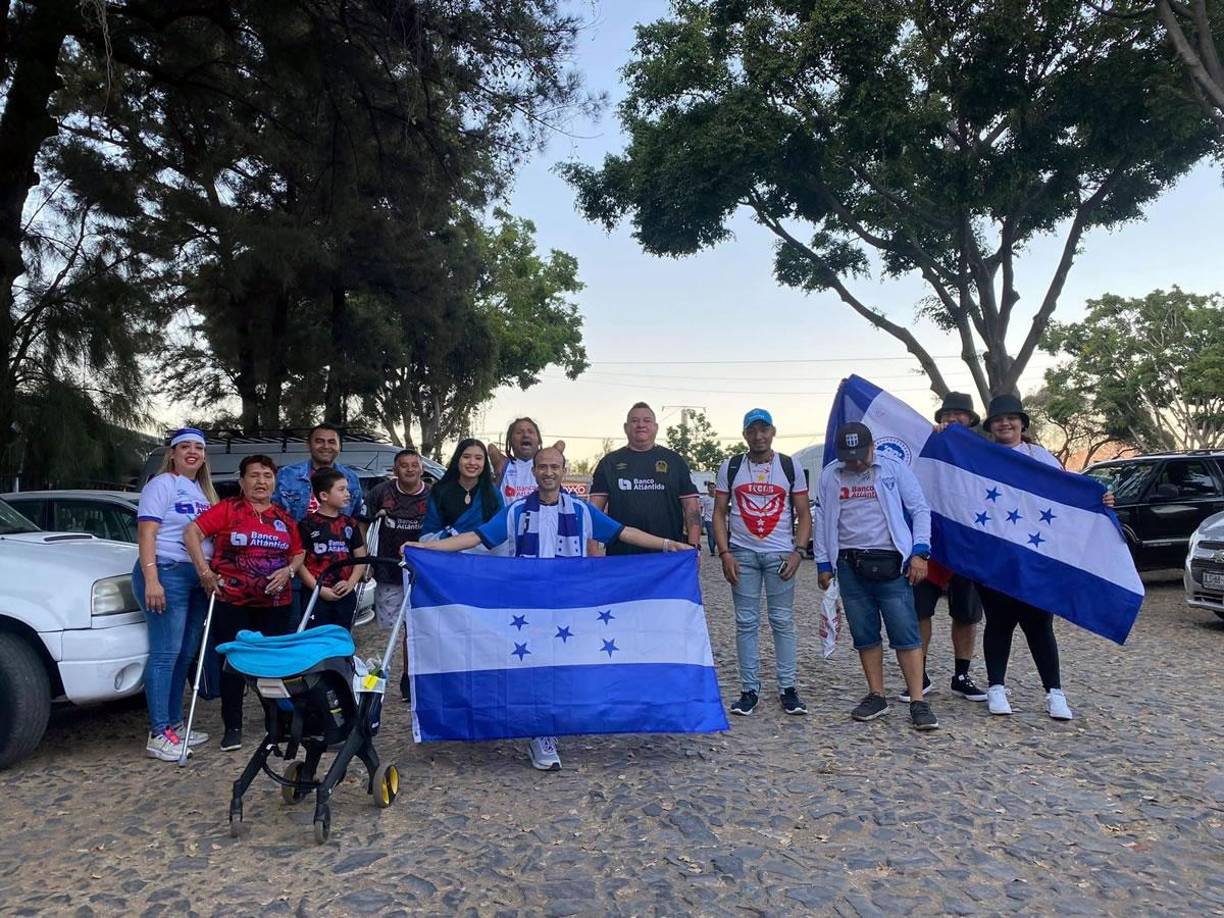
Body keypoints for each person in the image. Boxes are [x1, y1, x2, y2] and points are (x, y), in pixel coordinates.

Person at [417, 446, 696, 770]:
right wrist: (428, 548)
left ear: (564, 470)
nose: (549, 472)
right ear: (534, 472)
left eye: (555, 467)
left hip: (569, 606)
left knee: (564, 668)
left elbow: (623, 532)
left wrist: (667, 545)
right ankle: (541, 734)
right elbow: (474, 537)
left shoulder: (581, 511)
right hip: (529, 606)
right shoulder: (516, 511)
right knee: (535, 669)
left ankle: (561, 720)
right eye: (543, 467)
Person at [977, 394, 1114, 721]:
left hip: (1036, 554)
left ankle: (1054, 692)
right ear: (991, 426)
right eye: (998, 419)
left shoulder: (1041, 457)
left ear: (1023, 423)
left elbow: (1065, 492)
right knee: (998, 622)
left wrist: (1099, 498)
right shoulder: (980, 456)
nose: (1005, 423)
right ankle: (996, 687)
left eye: (1011, 418)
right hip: (995, 555)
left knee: (1039, 625)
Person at [814, 422, 940, 731]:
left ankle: (917, 701)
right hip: (849, 562)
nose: (856, 463)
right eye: (849, 457)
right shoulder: (831, 474)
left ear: (872, 447)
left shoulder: (893, 468)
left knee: (905, 633)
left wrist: (920, 552)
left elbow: (920, 510)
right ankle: (876, 694)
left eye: (860, 455)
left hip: (891, 562)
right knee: (864, 634)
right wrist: (822, 563)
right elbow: (823, 518)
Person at [185, 455, 305, 751]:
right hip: (232, 600)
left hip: (276, 602)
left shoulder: (283, 517)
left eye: (267, 475)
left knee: (272, 664)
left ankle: (276, 723)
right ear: (242, 481)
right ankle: (233, 726)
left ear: (274, 482)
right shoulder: (228, 509)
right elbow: (192, 532)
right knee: (233, 663)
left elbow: (299, 552)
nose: (261, 481)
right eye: (254, 475)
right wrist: (204, 572)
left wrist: (288, 570)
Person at [713, 409, 812, 717]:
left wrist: (799, 551)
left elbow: (804, 513)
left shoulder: (788, 465)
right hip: (742, 554)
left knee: (782, 622)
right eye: (752, 430)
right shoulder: (730, 467)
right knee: (745, 622)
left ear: (773, 432)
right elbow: (719, 512)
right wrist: (725, 552)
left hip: (781, 554)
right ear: (745, 434)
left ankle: (788, 688)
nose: (759, 436)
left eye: (764, 430)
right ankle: (749, 690)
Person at [133, 428, 218, 761]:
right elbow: (147, 533)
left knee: (185, 653)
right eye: (185, 447)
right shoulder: (161, 484)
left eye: (198, 447)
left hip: (196, 577)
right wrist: (152, 579)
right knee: (165, 653)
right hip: (166, 572)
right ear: (173, 453)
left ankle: (174, 725)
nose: (192, 452)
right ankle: (158, 733)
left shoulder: (201, 491)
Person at [909, 392, 988, 704]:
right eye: (948, 414)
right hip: (931, 542)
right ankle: (920, 674)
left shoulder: (984, 452)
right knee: (919, 611)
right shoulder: (928, 443)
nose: (953, 419)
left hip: (968, 545)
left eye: (960, 414)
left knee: (966, 614)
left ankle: (962, 674)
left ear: (970, 420)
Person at [363, 448, 430, 701]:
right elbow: (364, 523)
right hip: (388, 570)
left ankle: (409, 677)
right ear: (395, 469)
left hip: (421, 573)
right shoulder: (381, 493)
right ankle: (374, 678)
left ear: (421, 468)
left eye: (415, 465)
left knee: (414, 628)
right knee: (389, 630)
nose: (410, 469)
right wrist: (366, 560)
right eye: (404, 465)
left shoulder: (431, 495)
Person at [590, 402, 701, 555]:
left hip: (668, 555)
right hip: (621, 555)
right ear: (625, 427)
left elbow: (691, 508)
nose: (641, 425)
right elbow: (594, 512)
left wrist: (694, 546)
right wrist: (592, 550)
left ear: (655, 427)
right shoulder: (609, 463)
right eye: (634, 421)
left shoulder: (675, 461)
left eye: (646, 420)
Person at [297, 468, 367, 630]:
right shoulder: (307, 524)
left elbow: (360, 557)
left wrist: (350, 583)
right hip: (315, 593)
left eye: (347, 489)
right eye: (341, 489)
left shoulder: (350, 524)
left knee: (342, 637)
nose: (347, 494)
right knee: (315, 639)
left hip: (344, 592)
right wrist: (318, 589)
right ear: (324, 496)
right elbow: (299, 563)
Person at [274, 423, 364, 520]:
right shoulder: (287, 475)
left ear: (339, 446)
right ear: (309, 445)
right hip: (294, 534)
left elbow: (357, 518)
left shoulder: (351, 478)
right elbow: (272, 513)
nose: (326, 446)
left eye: (331, 442)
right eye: (319, 441)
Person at [422, 438, 505, 542]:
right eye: (466, 457)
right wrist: (453, 536)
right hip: (444, 554)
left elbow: (499, 532)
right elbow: (428, 534)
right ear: (458, 459)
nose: (472, 462)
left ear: (484, 463)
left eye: (478, 458)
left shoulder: (493, 494)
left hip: (481, 556)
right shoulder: (439, 492)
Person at [488, 417, 566, 504]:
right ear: (510, 440)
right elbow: (491, 448)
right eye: (519, 432)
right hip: (509, 517)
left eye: (530, 432)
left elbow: (561, 444)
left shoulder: (547, 464)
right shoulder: (503, 464)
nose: (525, 435)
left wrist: (543, 455)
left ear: (539, 440)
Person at [699, 481, 717, 555]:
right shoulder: (705, 498)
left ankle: (714, 545)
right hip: (708, 519)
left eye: (713, 488)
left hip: (717, 519)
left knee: (716, 536)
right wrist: (700, 517)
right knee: (710, 534)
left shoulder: (718, 498)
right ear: (708, 489)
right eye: (710, 488)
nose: (712, 489)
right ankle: (712, 550)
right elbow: (701, 508)